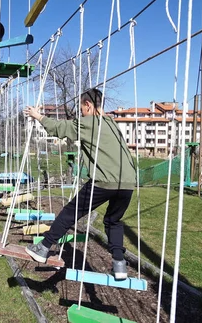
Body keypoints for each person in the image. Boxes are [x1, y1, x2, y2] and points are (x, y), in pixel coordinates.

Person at [23, 88, 137, 280]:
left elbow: (59, 128)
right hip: (128, 182)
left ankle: (42, 248)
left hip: (104, 180)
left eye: (82, 109)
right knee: (113, 221)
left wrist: (37, 116)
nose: (81, 114)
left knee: (70, 212)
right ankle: (119, 265)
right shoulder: (112, 123)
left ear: (88, 105)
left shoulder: (88, 122)